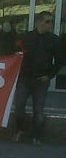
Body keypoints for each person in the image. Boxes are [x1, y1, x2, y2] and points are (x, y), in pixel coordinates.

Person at [12, 11, 65, 145]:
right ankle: (19, 130)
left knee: (38, 110)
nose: (50, 24)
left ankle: (36, 136)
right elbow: (15, 55)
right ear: (39, 22)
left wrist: (49, 75)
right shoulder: (26, 37)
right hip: (25, 78)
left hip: (41, 79)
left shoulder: (54, 39)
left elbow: (59, 60)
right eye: (47, 21)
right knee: (19, 107)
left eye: (51, 21)